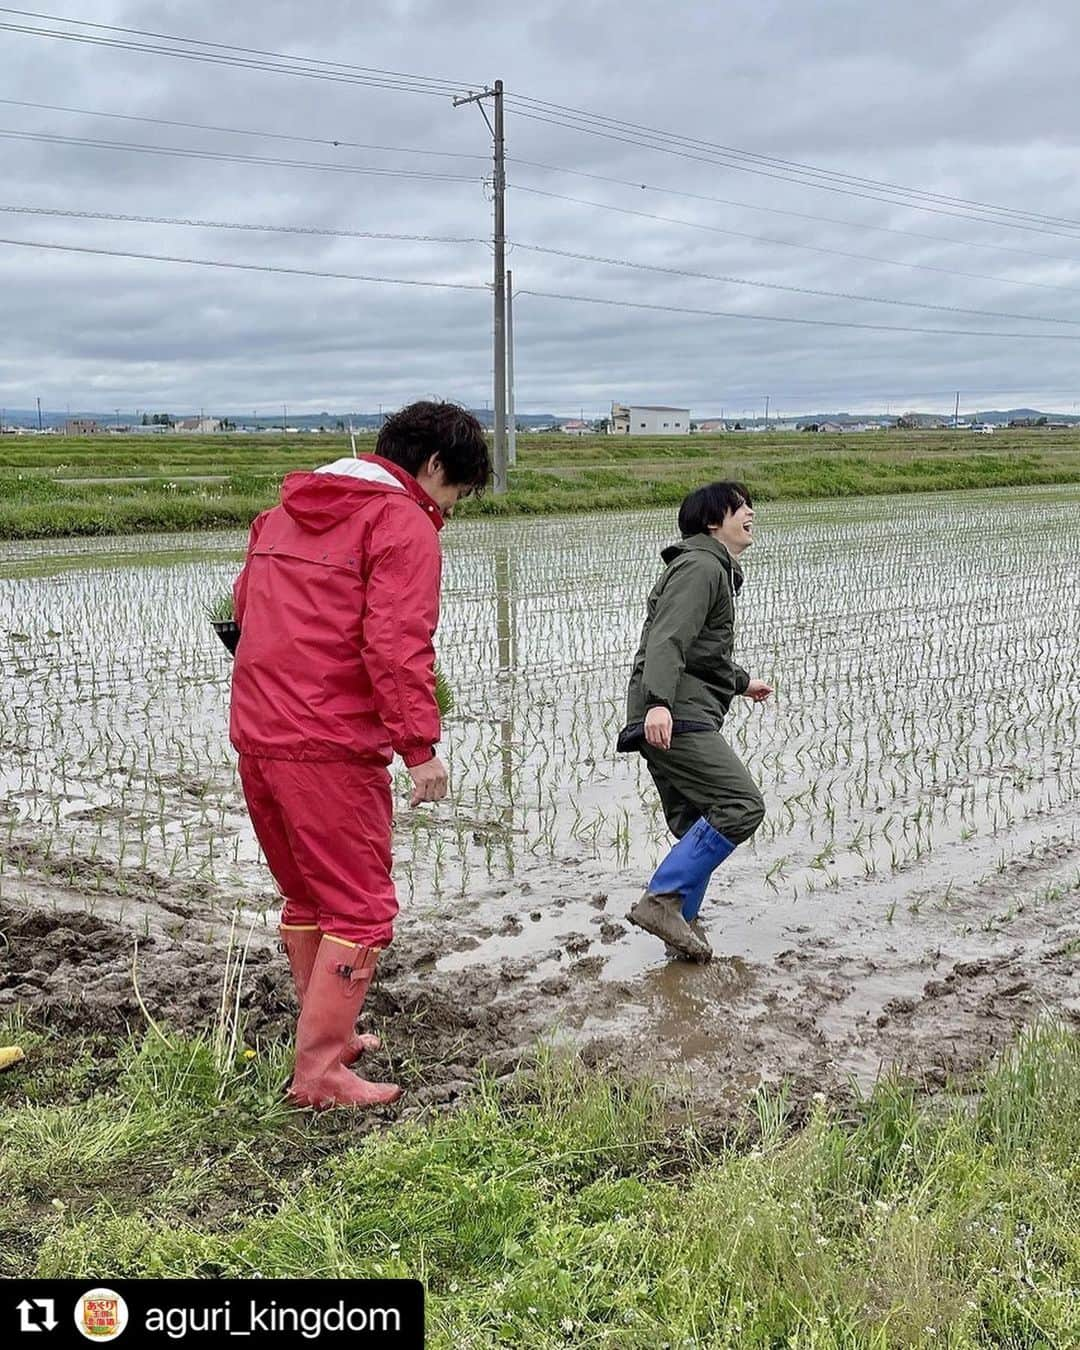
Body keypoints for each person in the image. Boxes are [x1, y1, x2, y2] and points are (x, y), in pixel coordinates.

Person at [229, 400, 491, 1109]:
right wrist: (419, 747)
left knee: (310, 896)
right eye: (457, 493)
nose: (451, 510)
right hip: (329, 744)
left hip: (259, 734)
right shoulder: (400, 521)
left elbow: (241, 612)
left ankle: (332, 1039)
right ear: (434, 467)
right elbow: (397, 643)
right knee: (363, 909)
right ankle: (318, 1075)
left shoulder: (282, 513)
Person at [620, 481, 772, 960]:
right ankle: (662, 901)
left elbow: (703, 652)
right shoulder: (702, 566)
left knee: (696, 825)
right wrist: (660, 702)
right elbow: (668, 639)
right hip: (675, 714)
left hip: (678, 708)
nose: (750, 512)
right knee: (740, 804)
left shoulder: (712, 568)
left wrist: (741, 682)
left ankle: (679, 928)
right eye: (740, 506)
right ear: (712, 522)